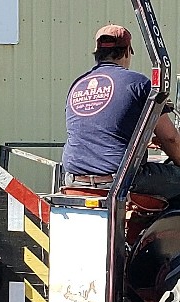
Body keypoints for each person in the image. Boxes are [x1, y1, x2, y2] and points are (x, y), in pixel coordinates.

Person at [62, 24, 180, 200]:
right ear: (126, 52)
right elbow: (170, 138)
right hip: (120, 180)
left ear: (97, 53)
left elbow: (100, 130)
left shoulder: (78, 84)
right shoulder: (138, 84)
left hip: (74, 179)